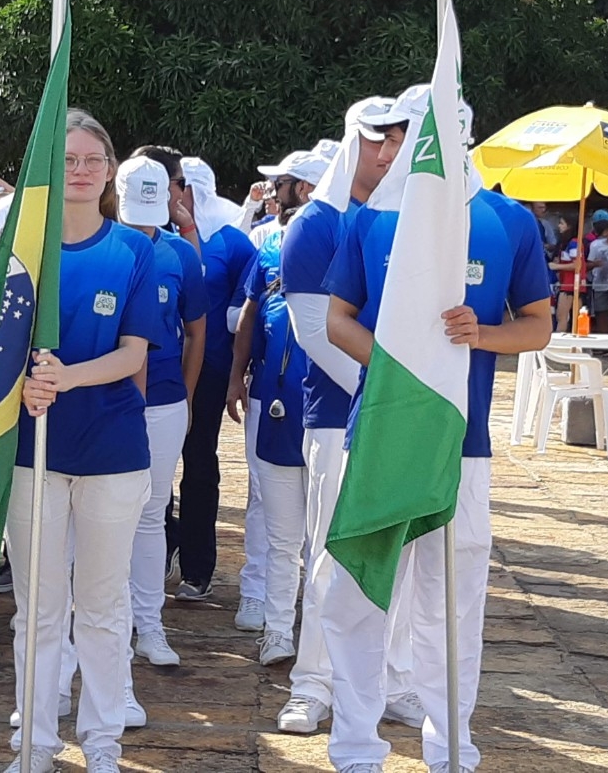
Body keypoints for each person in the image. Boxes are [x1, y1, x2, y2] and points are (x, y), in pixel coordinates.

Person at [322, 184, 553, 773]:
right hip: (380, 437)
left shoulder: (508, 220)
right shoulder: (373, 218)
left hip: (462, 443)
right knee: (358, 596)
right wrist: (400, 370)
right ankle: (354, 747)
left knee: (451, 603)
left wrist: (483, 336)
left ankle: (452, 746)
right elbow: (337, 321)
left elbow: (537, 326)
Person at [3, 109, 165, 773]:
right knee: (36, 611)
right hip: (32, 453)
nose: (78, 171)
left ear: (110, 170)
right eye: (66, 160)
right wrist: (23, 387)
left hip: (111, 452)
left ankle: (102, 746)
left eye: (91, 160)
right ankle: (36, 747)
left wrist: (65, 379)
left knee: (101, 607)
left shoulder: (133, 249)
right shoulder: (19, 246)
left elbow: (133, 354)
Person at [277, 93, 423, 737]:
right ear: (350, 140)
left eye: (397, 139)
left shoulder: (419, 218)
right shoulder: (316, 223)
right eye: (374, 138)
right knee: (331, 553)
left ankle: (390, 680)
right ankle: (313, 683)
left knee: (403, 554)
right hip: (341, 418)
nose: (386, 151)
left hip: (404, 417)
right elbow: (315, 331)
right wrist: (390, 398)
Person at [226, 148, 326, 660]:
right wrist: (237, 378)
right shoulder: (268, 250)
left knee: (323, 533)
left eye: (282, 182)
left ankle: (316, 635)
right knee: (276, 519)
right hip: (273, 402)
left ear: (305, 189)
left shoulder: (344, 246)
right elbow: (248, 317)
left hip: (329, 410)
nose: (273, 190)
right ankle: (275, 626)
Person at [114, 156, 207, 674]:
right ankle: (98, 625)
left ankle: (148, 624)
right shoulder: (103, 245)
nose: (143, 221)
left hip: (165, 400)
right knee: (100, 517)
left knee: (151, 513)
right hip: (105, 399)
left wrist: (188, 396)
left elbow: (197, 328)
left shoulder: (179, 255)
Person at [153, 147, 255, 603]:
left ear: (189, 189)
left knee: (198, 462)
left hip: (208, 370)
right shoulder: (146, 235)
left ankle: (198, 565)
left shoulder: (232, 241)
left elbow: (247, 309)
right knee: (151, 467)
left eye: (173, 187)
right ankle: (160, 546)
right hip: (153, 367)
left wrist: (238, 370)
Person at [549, 215, 579, 332]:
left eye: (562, 223)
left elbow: (577, 264)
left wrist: (557, 266)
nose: (559, 226)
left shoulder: (574, 243)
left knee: (562, 317)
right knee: (567, 318)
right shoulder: (565, 243)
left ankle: (557, 346)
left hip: (570, 285)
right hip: (565, 282)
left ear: (569, 226)